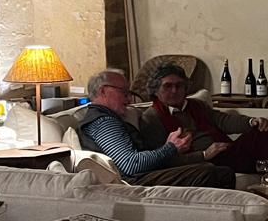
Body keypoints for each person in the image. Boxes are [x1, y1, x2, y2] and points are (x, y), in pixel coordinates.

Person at [137, 63, 268, 179]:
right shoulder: (152, 117)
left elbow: (224, 120)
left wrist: (251, 122)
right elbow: (163, 159)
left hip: (226, 153)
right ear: (156, 90)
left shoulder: (196, 105)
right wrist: (204, 154)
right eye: (168, 86)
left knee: (263, 135)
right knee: (263, 140)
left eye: (179, 86)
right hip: (204, 165)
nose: (174, 91)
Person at [77, 69, 236, 187]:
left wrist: (169, 149)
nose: (129, 99)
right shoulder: (103, 121)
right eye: (124, 92)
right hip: (135, 181)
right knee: (215, 173)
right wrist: (170, 148)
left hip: (145, 174)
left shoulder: (108, 118)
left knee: (212, 169)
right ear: (103, 91)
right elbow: (131, 164)